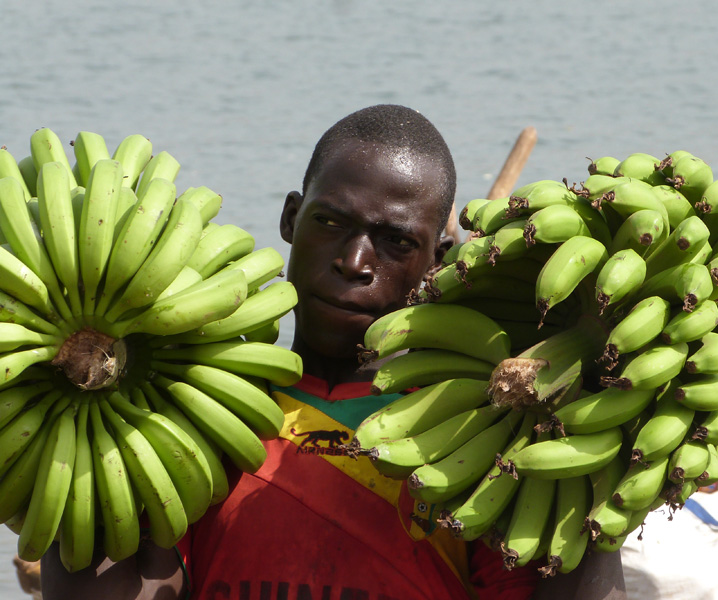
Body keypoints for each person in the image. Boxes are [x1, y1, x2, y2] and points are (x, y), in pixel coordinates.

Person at [40, 104, 541, 599]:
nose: (354, 262)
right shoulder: (204, 415)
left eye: (396, 241)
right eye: (329, 222)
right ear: (290, 218)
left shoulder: (469, 436)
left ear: (438, 261)